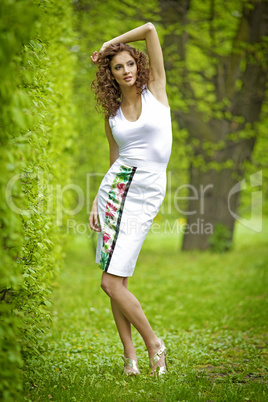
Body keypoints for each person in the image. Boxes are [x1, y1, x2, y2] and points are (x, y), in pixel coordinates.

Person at [89, 23, 172, 376]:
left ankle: (154, 344)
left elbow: (151, 29)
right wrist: (96, 199)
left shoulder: (156, 90)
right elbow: (113, 160)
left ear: (138, 64)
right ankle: (131, 359)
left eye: (129, 63)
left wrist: (110, 43)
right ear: (110, 75)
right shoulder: (112, 116)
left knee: (112, 281)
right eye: (117, 67)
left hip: (147, 190)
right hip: (115, 190)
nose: (125, 71)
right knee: (115, 282)